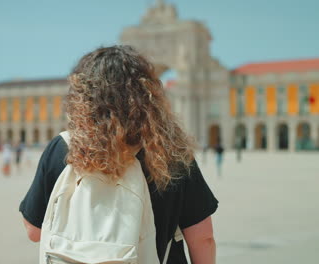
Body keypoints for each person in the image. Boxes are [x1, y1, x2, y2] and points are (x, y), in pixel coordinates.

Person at [19, 46, 218, 263]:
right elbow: (203, 238)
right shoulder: (170, 152)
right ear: (149, 95)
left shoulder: (63, 147)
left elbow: (34, 231)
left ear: (83, 96)